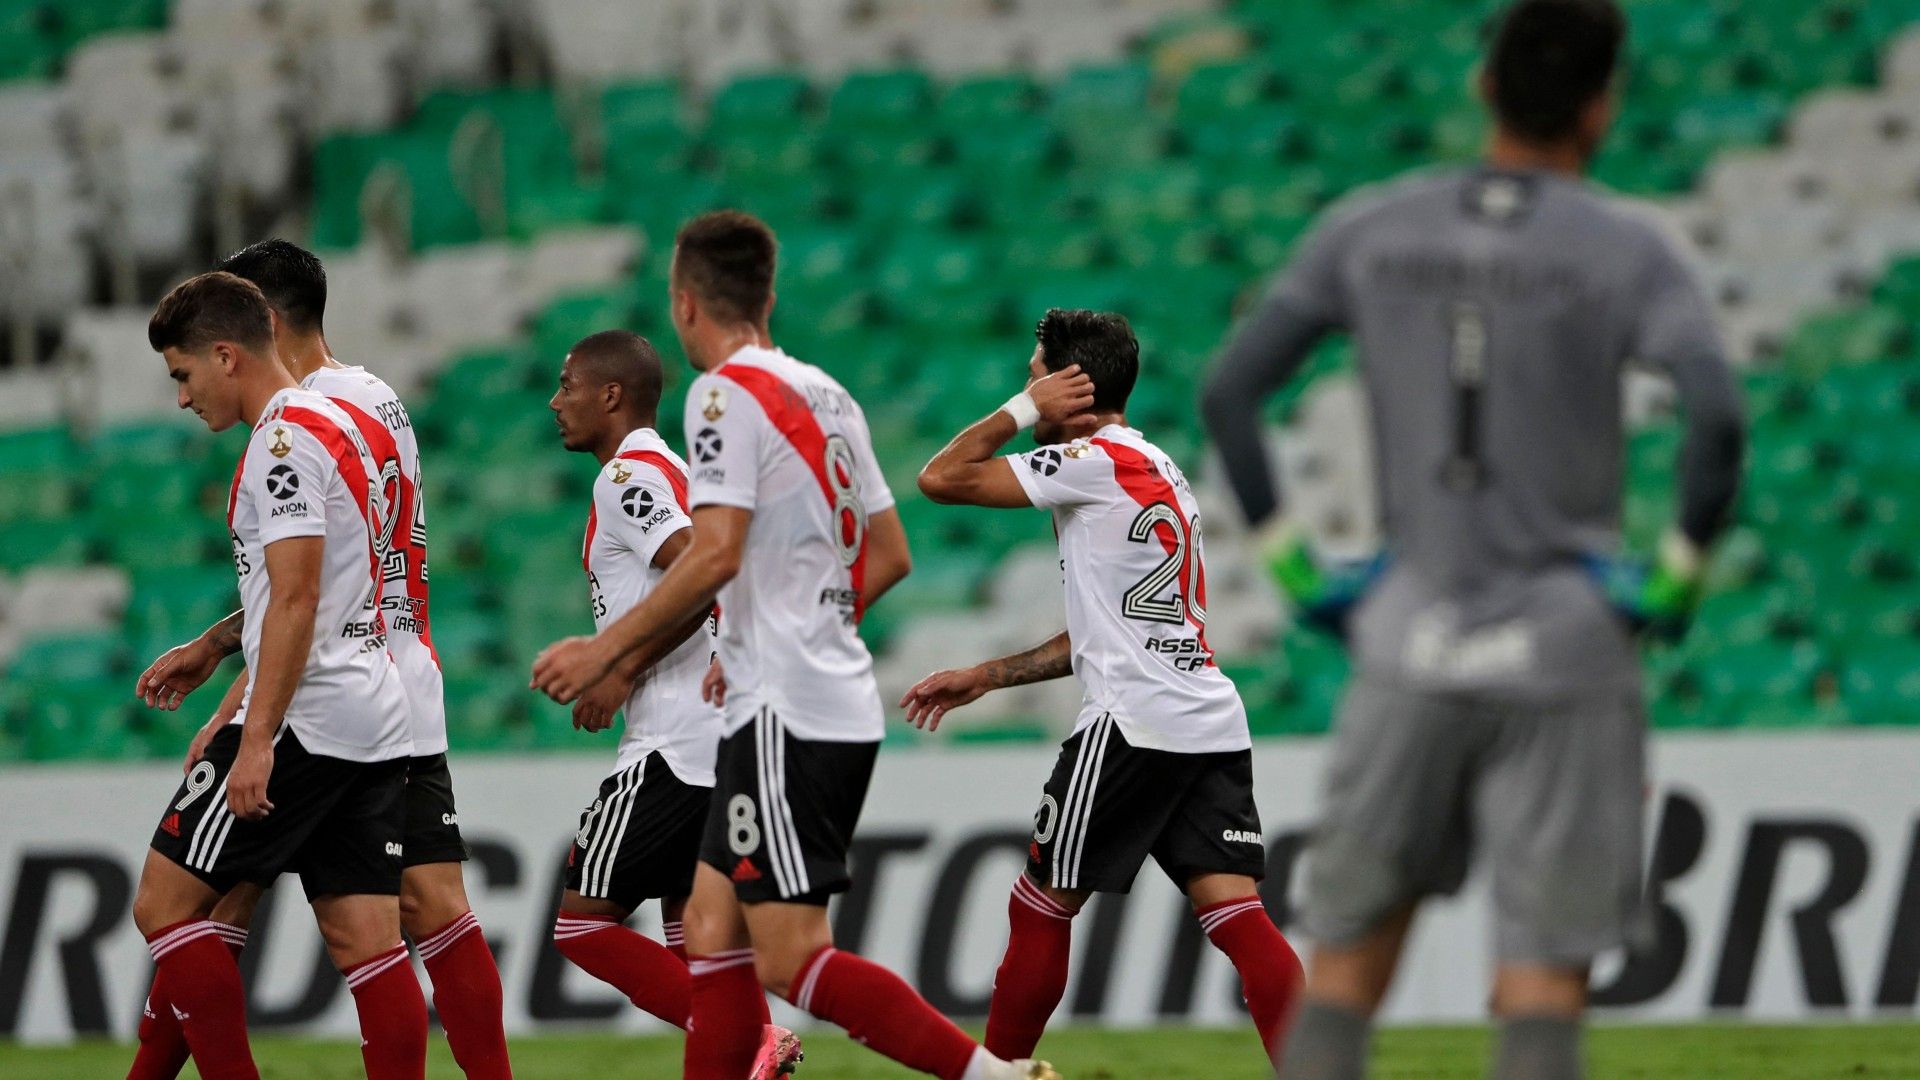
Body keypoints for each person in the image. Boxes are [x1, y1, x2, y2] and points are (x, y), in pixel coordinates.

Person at [1198, 2, 1747, 1078]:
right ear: (1601, 108)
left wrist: (1307, 577)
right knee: (1540, 981)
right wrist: (1675, 580)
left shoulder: (1373, 227)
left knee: (1348, 967)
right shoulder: (1627, 248)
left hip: (1408, 636)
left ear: (1485, 87)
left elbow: (1231, 392)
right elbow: (1717, 415)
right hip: (1565, 648)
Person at [529, 210, 1059, 1080]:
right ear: (770, 296)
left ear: (685, 302)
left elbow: (713, 553)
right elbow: (888, 556)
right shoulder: (829, 393)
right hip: (812, 694)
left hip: (781, 705)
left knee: (791, 959)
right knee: (706, 931)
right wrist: (787, 628)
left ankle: (990, 1078)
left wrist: (608, 654)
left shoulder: (721, 396)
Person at [131, 241, 510, 1080]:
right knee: (384, 928)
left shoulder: (290, 430)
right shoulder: (369, 401)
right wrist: (220, 645)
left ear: (249, 326)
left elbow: (303, 592)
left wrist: (246, 720)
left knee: (184, 905)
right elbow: (338, 565)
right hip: (389, 674)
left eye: (186, 374)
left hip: (321, 691)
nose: (184, 395)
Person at [904, 308, 1305, 1072]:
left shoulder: (1088, 460)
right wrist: (985, 676)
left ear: (1067, 385)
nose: (1027, 387)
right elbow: (1108, 630)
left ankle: (998, 1078)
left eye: (1036, 375)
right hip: (1205, 719)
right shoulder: (1158, 467)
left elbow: (940, 478)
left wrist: (1025, 412)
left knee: (1041, 904)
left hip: (1135, 724)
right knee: (1239, 915)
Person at [544, 328, 803, 1076]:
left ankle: (744, 1038)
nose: (556, 402)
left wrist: (620, 665)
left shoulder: (628, 476)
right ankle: (751, 1052)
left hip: (676, 744)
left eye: (568, 386)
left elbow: (701, 570)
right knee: (695, 931)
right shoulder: (675, 471)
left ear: (612, 396)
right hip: (721, 736)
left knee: (581, 924)